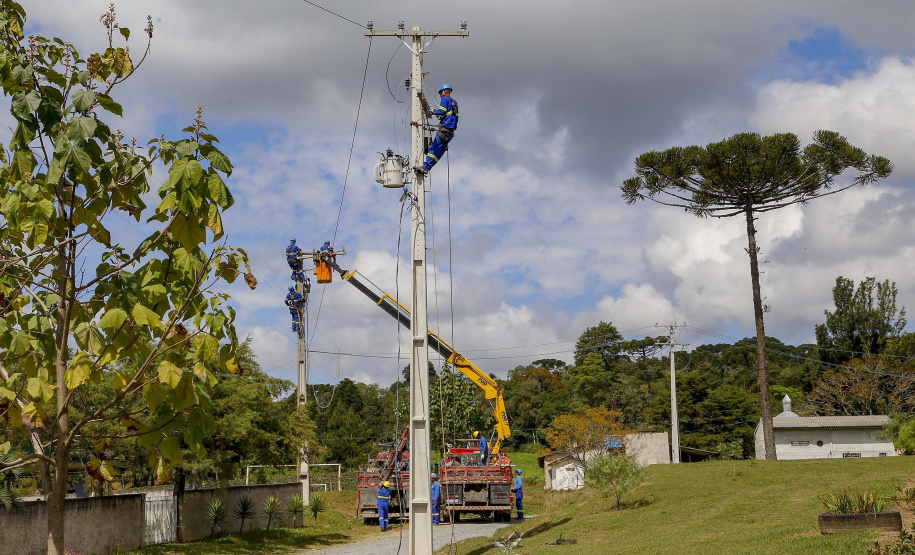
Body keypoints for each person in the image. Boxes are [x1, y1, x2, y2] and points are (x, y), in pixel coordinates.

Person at [418, 84, 458, 174]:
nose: (440, 96)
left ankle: (425, 167)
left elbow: (442, 110)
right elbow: (451, 115)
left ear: (444, 91)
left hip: (444, 130)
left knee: (433, 149)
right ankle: (426, 168)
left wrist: (433, 111)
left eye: (440, 93)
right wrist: (442, 117)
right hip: (450, 133)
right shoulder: (454, 102)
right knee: (439, 152)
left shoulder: (445, 99)